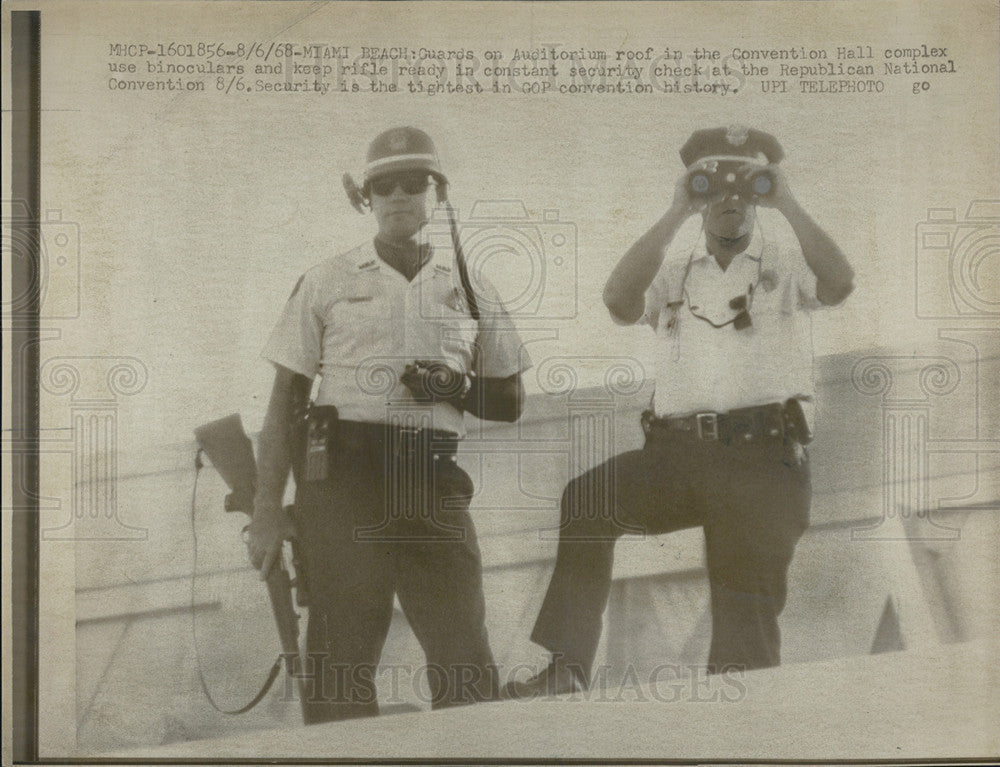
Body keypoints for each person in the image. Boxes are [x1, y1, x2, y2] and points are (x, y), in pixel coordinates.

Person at [503, 126, 855, 697]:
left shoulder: (786, 262)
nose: (729, 197)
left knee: (745, 644)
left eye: (745, 182)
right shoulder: (675, 270)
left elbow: (840, 283)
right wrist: (674, 214)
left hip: (762, 462)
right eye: (713, 183)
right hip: (678, 456)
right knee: (589, 499)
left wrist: (785, 200)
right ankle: (567, 669)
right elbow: (618, 302)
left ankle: (740, 743)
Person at [248, 126, 530, 723]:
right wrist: (267, 511)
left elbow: (509, 401)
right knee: (341, 659)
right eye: (385, 186)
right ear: (365, 197)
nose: (399, 196)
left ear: (435, 193)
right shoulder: (325, 280)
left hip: (431, 475)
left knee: (464, 654)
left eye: (414, 183)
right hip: (344, 479)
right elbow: (284, 402)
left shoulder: (472, 286)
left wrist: (449, 386)